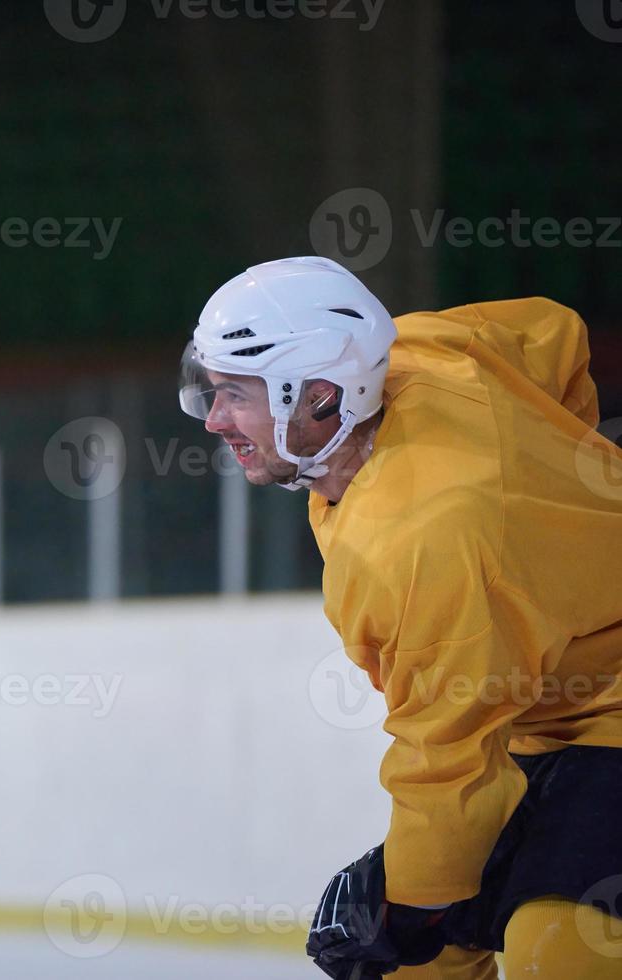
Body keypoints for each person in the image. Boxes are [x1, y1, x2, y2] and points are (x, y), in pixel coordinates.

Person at [179, 256, 622, 978]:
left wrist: (406, 911)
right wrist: (564, 474)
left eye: (233, 393)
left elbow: (445, 753)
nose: (213, 420)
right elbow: (552, 331)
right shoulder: (417, 349)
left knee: (560, 953)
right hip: (534, 718)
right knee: (421, 961)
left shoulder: (428, 535)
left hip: (598, 719)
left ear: (318, 396)